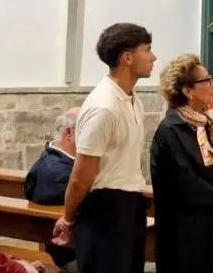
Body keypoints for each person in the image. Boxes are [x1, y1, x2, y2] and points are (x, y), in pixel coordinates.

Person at [52, 23, 156, 273]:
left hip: (130, 204)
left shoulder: (132, 99)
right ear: (127, 57)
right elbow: (81, 175)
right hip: (105, 211)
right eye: (147, 50)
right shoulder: (104, 106)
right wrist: (68, 218)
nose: (153, 57)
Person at [150, 54, 213, 272]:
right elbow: (187, 183)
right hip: (185, 236)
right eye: (206, 80)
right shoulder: (170, 130)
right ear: (188, 91)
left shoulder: (206, 123)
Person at [24, 108, 79, 270]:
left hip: (57, 245)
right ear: (69, 133)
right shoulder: (60, 174)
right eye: (87, 128)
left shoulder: (47, 159)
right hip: (68, 251)